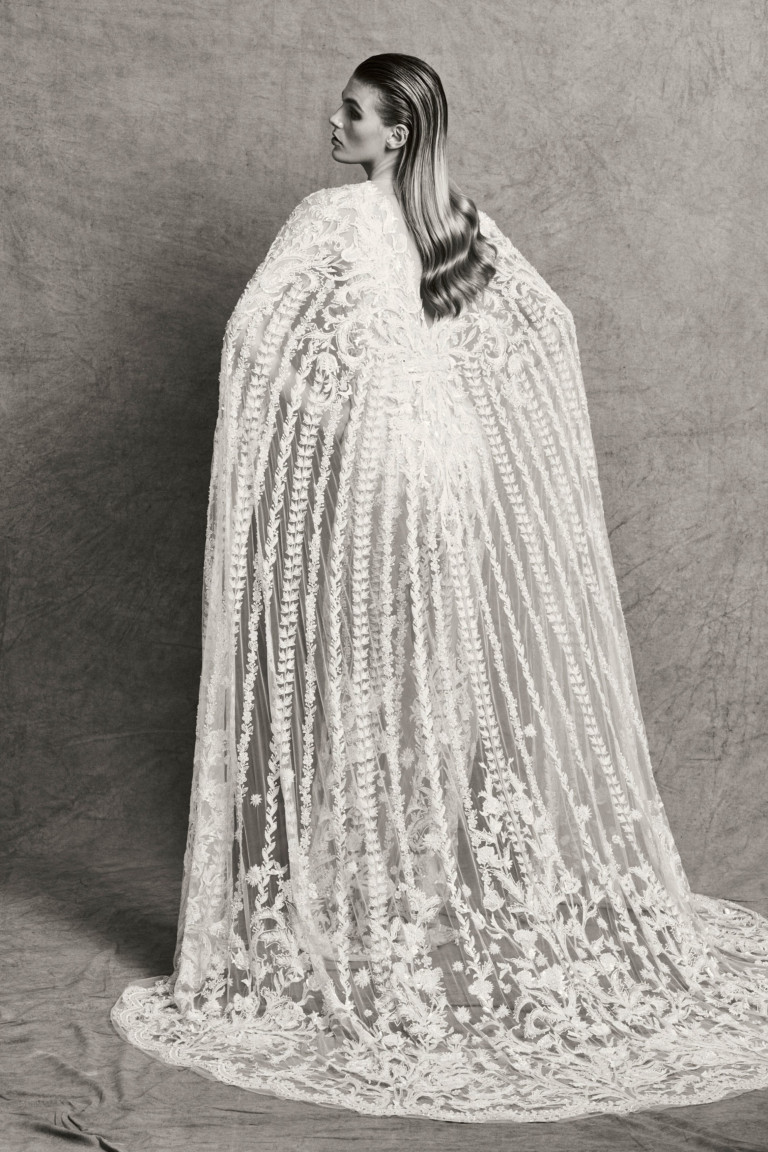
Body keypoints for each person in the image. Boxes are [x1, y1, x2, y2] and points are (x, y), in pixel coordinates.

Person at [111, 53, 768, 1123]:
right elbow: (546, 324)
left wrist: (337, 411)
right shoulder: (457, 219)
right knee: (438, 669)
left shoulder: (330, 217)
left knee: (370, 671)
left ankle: (363, 898)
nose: (334, 121)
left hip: (386, 473)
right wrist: (442, 394)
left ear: (397, 133)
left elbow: (252, 340)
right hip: (453, 466)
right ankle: (396, 887)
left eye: (355, 112)